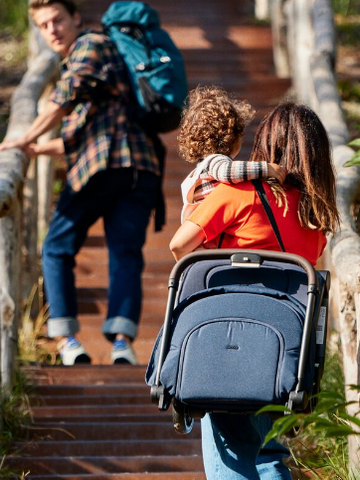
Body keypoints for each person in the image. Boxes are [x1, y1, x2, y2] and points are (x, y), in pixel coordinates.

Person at [170, 102, 339, 479]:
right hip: (285, 352)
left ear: (265, 145)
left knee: (230, 449)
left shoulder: (236, 195)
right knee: (268, 451)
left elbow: (181, 246)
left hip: (228, 339)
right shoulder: (314, 219)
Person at [0, 0, 161, 366]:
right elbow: (79, 132)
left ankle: (67, 339)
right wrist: (39, 149)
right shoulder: (107, 60)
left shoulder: (90, 45)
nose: (52, 30)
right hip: (140, 166)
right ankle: (122, 344)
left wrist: (21, 139)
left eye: (57, 19)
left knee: (56, 247)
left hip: (106, 165)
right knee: (125, 254)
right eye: (43, 26)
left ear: (76, 17)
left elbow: (63, 97)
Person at [177, 86, 286, 224]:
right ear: (232, 136)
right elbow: (228, 172)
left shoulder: (200, 170)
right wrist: (266, 169)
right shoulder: (215, 162)